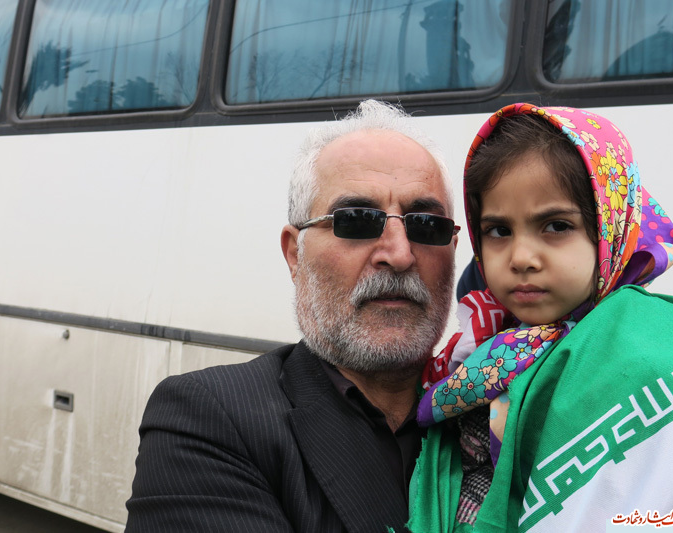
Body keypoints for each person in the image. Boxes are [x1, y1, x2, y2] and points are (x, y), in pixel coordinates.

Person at [408, 103, 673, 532]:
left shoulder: (655, 349)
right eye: (499, 230)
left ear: (610, 228)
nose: (521, 258)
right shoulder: (487, 341)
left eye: (556, 226)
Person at [125, 100, 460, 532]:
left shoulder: (499, 411)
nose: (399, 254)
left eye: (426, 225)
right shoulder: (205, 419)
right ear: (294, 254)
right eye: (357, 221)